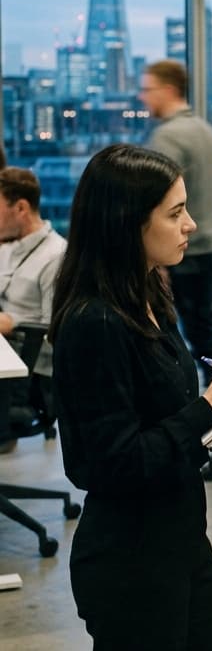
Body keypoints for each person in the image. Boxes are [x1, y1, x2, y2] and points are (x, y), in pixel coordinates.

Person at [49, 144, 212, 651]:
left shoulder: (148, 296)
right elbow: (107, 464)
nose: (191, 224)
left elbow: (160, 424)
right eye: (175, 213)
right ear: (127, 223)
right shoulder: (96, 323)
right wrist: (208, 408)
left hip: (179, 541)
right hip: (131, 561)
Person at [140, 59, 212, 381]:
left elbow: (156, 202)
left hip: (178, 252)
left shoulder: (167, 138)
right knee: (202, 327)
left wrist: (154, 261)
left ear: (169, 90)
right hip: (205, 246)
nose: (143, 98)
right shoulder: (206, 132)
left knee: (173, 334)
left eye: (148, 90)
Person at [0, 167, 67, 453]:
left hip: (31, 380)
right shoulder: (9, 247)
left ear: (21, 208)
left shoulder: (56, 255)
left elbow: (56, 330)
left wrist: (11, 323)